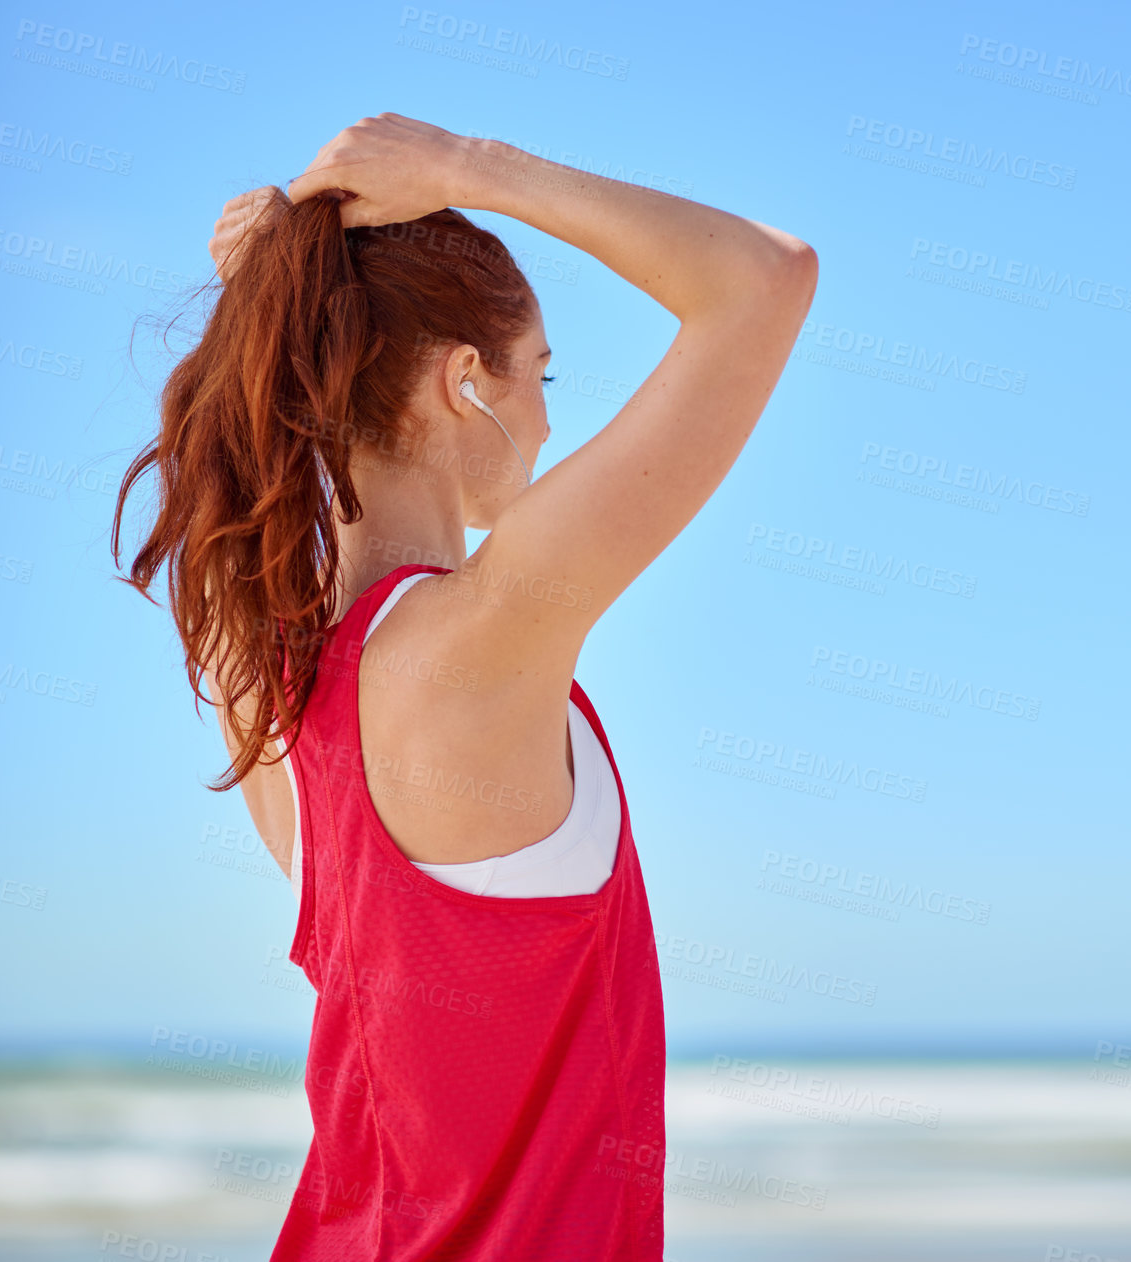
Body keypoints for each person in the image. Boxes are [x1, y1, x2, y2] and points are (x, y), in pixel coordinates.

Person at [110, 112, 817, 1260]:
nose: (547, 414)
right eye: (540, 372)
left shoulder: (267, 686)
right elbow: (763, 279)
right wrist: (465, 170)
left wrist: (289, 286)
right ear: (465, 383)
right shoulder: (475, 642)